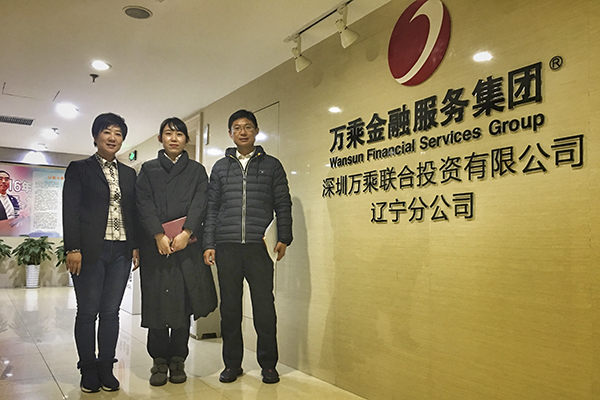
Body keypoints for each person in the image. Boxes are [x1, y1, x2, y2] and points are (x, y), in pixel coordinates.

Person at [203, 109, 292, 384]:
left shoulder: (272, 165)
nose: (242, 132)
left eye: (248, 127)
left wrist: (284, 237)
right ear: (230, 133)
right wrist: (209, 242)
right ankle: (232, 365)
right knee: (229, 310)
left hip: (259, 247)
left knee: (264, 308)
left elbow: (283, 203)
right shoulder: (220, 167)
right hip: (227, 246)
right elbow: (212, 207)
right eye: (237, 128)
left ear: (256, 131)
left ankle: (268, 365)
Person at [136, 117, 217, 386]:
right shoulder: (148, 170)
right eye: (168, 134)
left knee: (183, 304)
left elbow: (200, 203)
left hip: (186, 246)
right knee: (157, 302)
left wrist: (186, 232)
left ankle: (178, 359)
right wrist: (158, 235)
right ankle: (159, 360)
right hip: (156, 248)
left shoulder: (196, 170)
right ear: (160, 138)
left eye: (179, 134)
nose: (174, 138)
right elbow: (143, 204)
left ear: (186, 139)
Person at [62, 112, 139, 393]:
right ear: (95, 136)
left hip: (120, 251)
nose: (112, 138)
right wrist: (73, 248)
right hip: (89, 251)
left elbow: (132, 212)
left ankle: (106, 367)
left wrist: (135, 246)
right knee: (87, 312)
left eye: (118, 134)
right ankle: (88, 369)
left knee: (110, 313)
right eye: (107, 132)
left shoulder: (129, 173)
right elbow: (70, 209)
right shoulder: (79, 168)